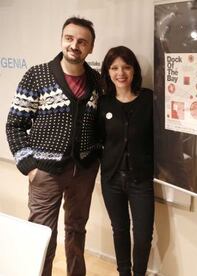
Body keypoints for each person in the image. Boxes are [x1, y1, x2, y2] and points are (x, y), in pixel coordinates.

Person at [5, 17, 101, 276]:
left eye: (82, 41)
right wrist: (29, 166)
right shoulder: (37, 75)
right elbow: (14, 124)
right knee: (41, 235)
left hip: (83, 172)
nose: (74, 45)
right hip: (45, 172)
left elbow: (101, 126)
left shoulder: (97, 81)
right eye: (69, 38)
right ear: (62, 39)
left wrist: (96, 161)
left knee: (77, 231)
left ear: (91, 48)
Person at [98, 46, 154, 276]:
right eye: (114, 68)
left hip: (140, 181)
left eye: (126, 67)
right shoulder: (103, 103)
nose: (120, 72)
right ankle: (124, 273)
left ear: (134, 70)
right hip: (111, 180)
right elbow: (98, 138)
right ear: (108, 72)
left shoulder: (149, 99)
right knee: (119, 230)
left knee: (142, 236)